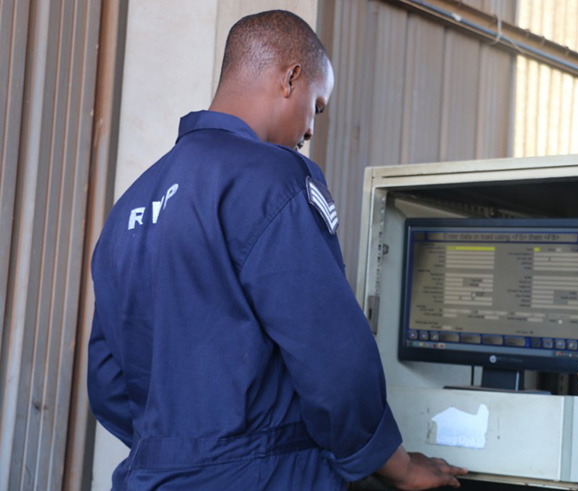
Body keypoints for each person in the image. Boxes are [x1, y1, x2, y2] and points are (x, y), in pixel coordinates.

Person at [87, 10, 466, 490]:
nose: (310, 129)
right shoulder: (275, 180)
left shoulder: (130, 208)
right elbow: (330, 352)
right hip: (264, 474)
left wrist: (177, 452)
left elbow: (107, 382)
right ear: (291, 78)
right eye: (317, 106)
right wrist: (399, 466)